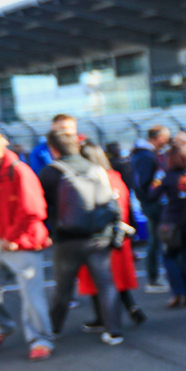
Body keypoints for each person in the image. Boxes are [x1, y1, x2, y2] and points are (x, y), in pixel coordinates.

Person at [0, 123, 54, 360]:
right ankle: (1, 326)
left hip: (20, 241)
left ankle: (41, 340)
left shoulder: (18, 171)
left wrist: (12, 238)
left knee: (31, 295)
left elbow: (34, 210)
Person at [38, 130, 124, 345]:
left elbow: (41, 206)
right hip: (99, 236)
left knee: (63, 287)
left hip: (67, 239)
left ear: (53, 149)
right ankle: (113, 331)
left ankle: (54, 328)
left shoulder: (50, 172)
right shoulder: (95, 168)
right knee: (106, 284)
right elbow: (110, 202)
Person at [76, 140, 145, 332]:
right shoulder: (115, 178)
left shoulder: (89, 180)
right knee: (116, 277)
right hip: (119, 236)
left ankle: (105, 319)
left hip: (98, 237)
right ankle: (131, 308)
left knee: (98, 279)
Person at [148, 139, 186, 308]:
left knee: (169, 257)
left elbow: (152, 194)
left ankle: (179, 292)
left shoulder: (165, 174)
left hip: (171, 223)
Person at [131, 125, 171, 293]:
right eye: (165, 137)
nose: (167, 140)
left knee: (157, 241)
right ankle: (154, 277)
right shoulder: (146, 156)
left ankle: (155, 276)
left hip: (152, 203)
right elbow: (143, 182)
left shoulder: (144, 154)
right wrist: (152, 198)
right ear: (157, 137)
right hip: (154, 204)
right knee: (156, 241)